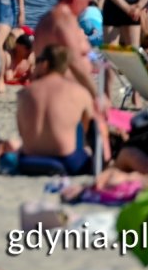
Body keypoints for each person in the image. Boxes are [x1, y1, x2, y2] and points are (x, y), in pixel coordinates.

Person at [16, 45, 101, 175]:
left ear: (45, 64)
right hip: (67, 161)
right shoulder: (79, 92)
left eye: (38, 61)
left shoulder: (24, 94)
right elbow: (89, 129)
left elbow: (22, 132)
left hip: (28, 161)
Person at [33, 0, 100, 100]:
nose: (87, 8)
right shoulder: (63, 20)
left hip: (63, 89)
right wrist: (96, 95)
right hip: (64, 93)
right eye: (87, 2)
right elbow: (75, 62)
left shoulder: (51, 18)